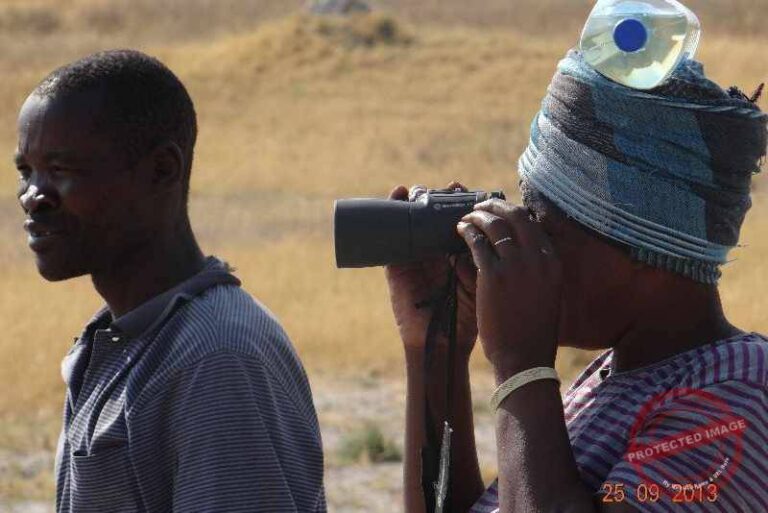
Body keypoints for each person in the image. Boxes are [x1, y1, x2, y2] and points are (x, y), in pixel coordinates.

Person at [386, 50, 767, 512]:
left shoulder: (735, 399)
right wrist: (437, 349)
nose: (529, 256)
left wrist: (520, 364)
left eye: (546, 233)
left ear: (646, 246)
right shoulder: (620, 378)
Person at [15, 49, 326, 513]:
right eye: (26, 171)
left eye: (61, 170)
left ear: (162, 169)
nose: (32, 196)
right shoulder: (123, 337)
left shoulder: (216, 358)